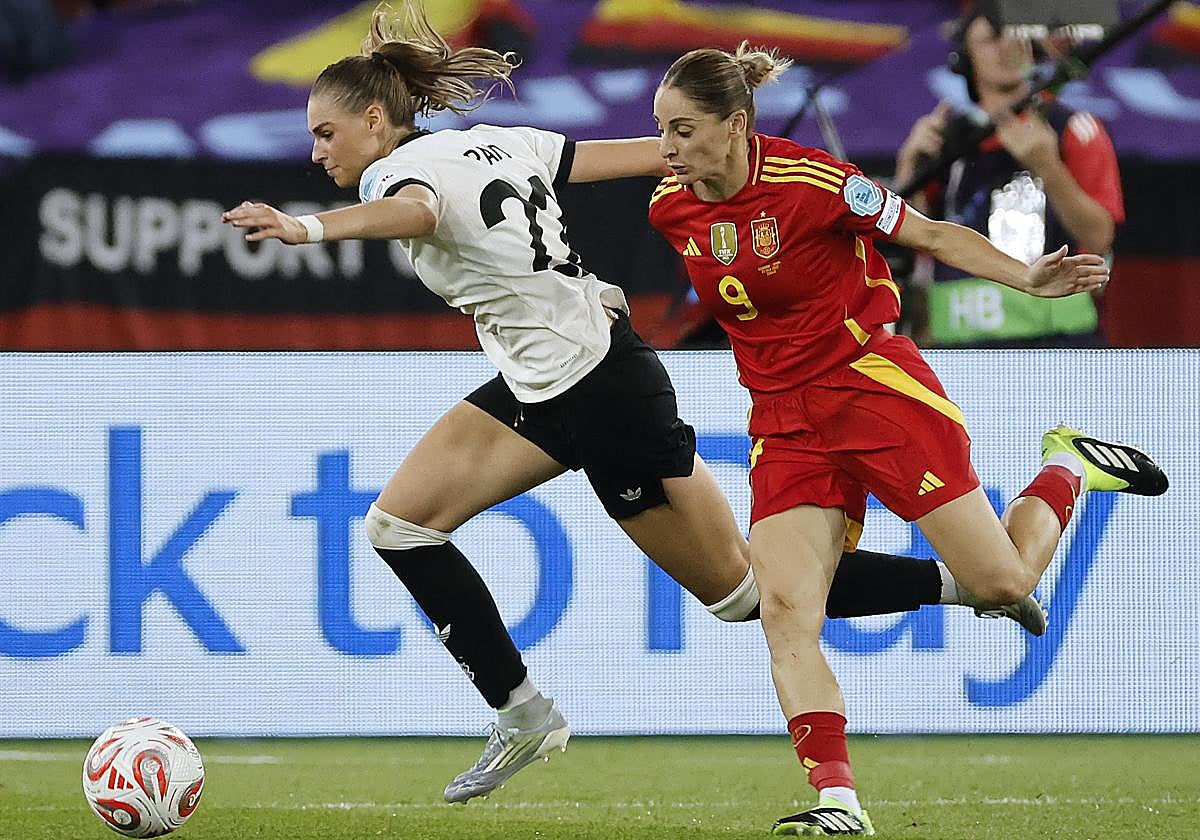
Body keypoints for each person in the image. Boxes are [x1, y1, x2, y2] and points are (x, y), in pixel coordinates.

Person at [220, 0, 1046, 810]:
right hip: (549, 382)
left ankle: (962, 584)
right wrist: (708, 148)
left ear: (374, 120)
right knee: (399, 525)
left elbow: (416, 210)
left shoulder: (396, 174)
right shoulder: (496, 140)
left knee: (743, 595)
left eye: (325, 133)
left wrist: (309, 230)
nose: (317, 150)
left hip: (602, 392)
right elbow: (640, 157)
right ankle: (522, 713)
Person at [646, 43, 1166, 836]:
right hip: (783, 421)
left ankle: (1066, 467)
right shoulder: (670, 207)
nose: (668, 148)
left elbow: (934, 236)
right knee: (784, 609)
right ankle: (838, 802)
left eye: (683, 130)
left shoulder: (816, 183)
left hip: (873, 389)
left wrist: (1025, 275)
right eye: (662, 130)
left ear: (737, 124)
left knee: (1003, 582)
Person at [894, 5, 1125, 349]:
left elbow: (1099, 236)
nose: (1006, 46)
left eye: (1015, 34)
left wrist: (1048, 166)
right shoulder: (946, 139)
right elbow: (915, 238)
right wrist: (908, 166)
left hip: (1057, 348)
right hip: (959, 351)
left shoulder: (1073, 128)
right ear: (965, 59)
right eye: (991, 38)